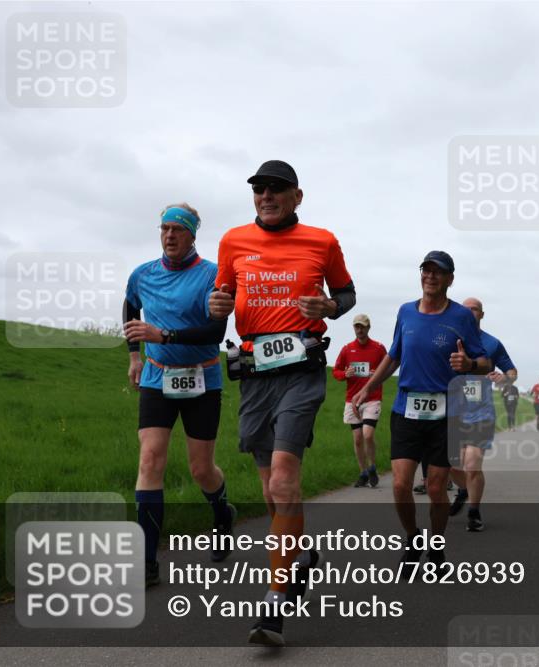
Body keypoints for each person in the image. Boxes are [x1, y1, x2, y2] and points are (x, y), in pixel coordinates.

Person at [209, 160, 356, 647]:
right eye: (258, 190)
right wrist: (217, 306)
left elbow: (347, 293)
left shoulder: (322, 240)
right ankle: (301, 556)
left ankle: (275, 599)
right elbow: (221, 298)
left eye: (276, 189)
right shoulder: (232, 242)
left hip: (302, 367)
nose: (265, 196)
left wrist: (330, 307)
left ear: (297, 196)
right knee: (272, 490)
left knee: (286, 475)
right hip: (254, 373)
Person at [351, 251, 489, 573]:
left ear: (449, 279)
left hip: (446, 414)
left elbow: (485, 363)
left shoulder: (461, 318)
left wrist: (468, 364)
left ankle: (436, 547)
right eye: (426, 270)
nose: (430, 276)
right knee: (400, 485)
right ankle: (413, 540)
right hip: (407, 409)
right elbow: (394, 356)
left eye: (438, 272)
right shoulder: (405, 312)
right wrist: (368, 387)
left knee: (437, 488)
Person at [123, 203, 233, 588]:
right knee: (150, 459)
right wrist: (135, 355)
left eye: (178, 229)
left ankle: (221, 512)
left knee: (201, 469)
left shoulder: (212, 275)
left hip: (202, 378)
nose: (170, 236)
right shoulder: (143, 274)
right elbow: (130, 306)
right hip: (157, 378)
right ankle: (147, 560)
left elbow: (215, 335)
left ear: (192, 235)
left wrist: (164, 336)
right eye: (165, 228)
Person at [448, 297, 517, 532]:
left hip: (481, 413)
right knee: (453, 466)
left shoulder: (492, 343)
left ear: (481, 314)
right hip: (453, 413)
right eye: (465, 309)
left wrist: (504, 378)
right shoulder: (450, 339)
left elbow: (512, 370)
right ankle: (464, 490)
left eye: (474, 309)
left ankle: (474, 512)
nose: (469, 312)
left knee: (472, 464)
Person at [332, 314, 386, 488]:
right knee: (357, 439)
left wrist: (375, 375)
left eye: (362, 327)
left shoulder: (378, 348)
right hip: (352, 399)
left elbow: (386, 369)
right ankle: (363, 472)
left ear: (368, 328)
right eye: (357, 327)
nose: (359, 330)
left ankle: (373, 467)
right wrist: (344, 374)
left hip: (372, 398)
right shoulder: (347, 349)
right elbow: (336, 371)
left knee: (368, 434)